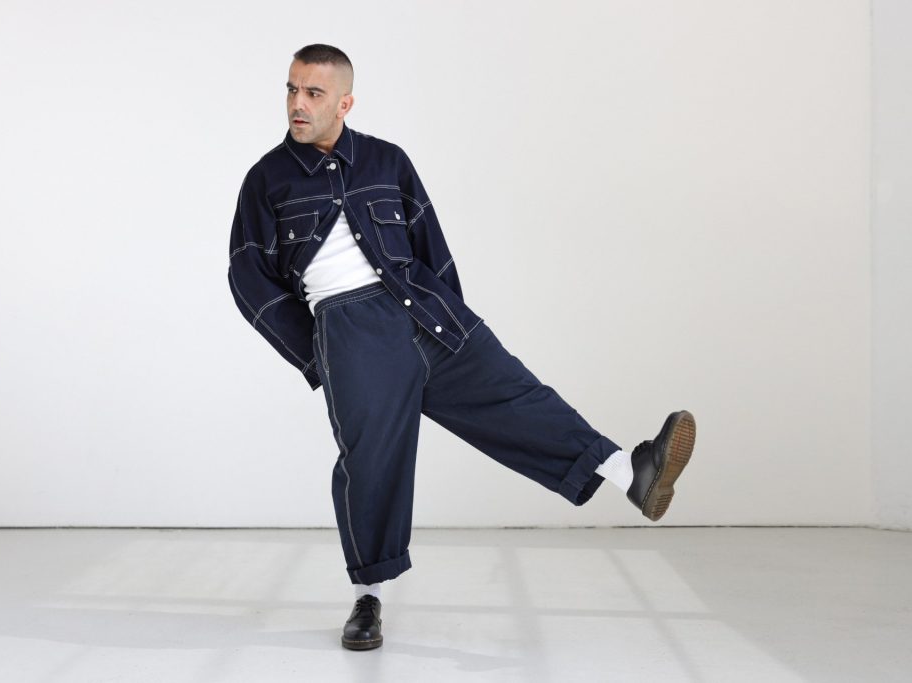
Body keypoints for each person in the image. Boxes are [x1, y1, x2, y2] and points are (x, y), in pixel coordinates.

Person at [227, 43, 697, 651]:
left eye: (313, 93)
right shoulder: (266, 179)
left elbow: (430, 242)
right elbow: (248, 278)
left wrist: (455, 316)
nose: (297, 103)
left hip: (427, 309)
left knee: (516, 395)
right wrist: (319, 351)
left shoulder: (388, 161)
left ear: (345, 102)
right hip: (352, 329)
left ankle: (629, 473)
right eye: (291, 89)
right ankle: (368, 597)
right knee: (373, 462)